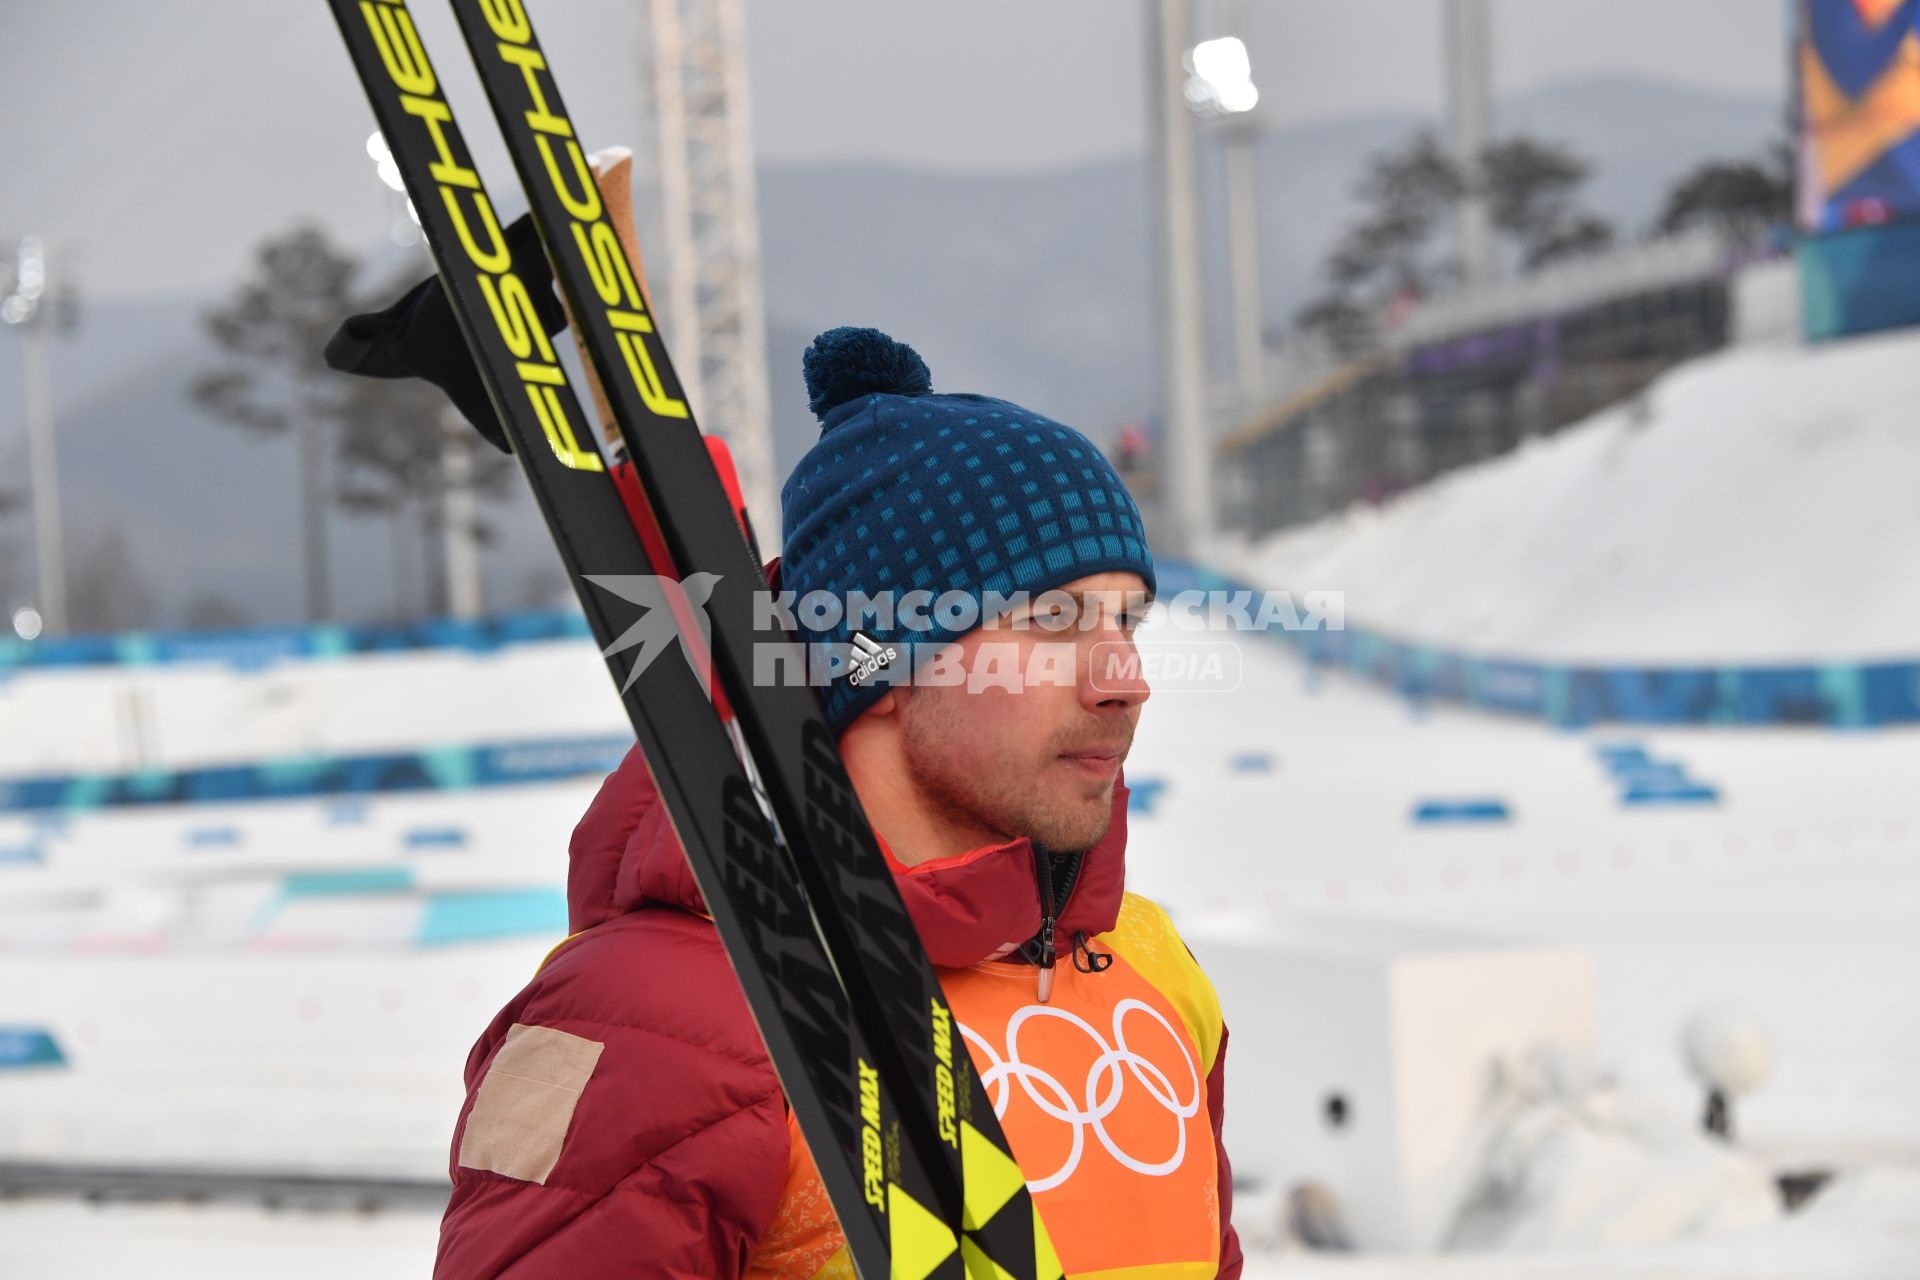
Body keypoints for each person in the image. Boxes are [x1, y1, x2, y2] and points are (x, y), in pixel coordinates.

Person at [434, 328, 1243, 1279]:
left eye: (1128, 622)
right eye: (1054, 620)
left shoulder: (1150, 966)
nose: (1125, 680)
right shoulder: (657, 1018)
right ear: (881, 660)